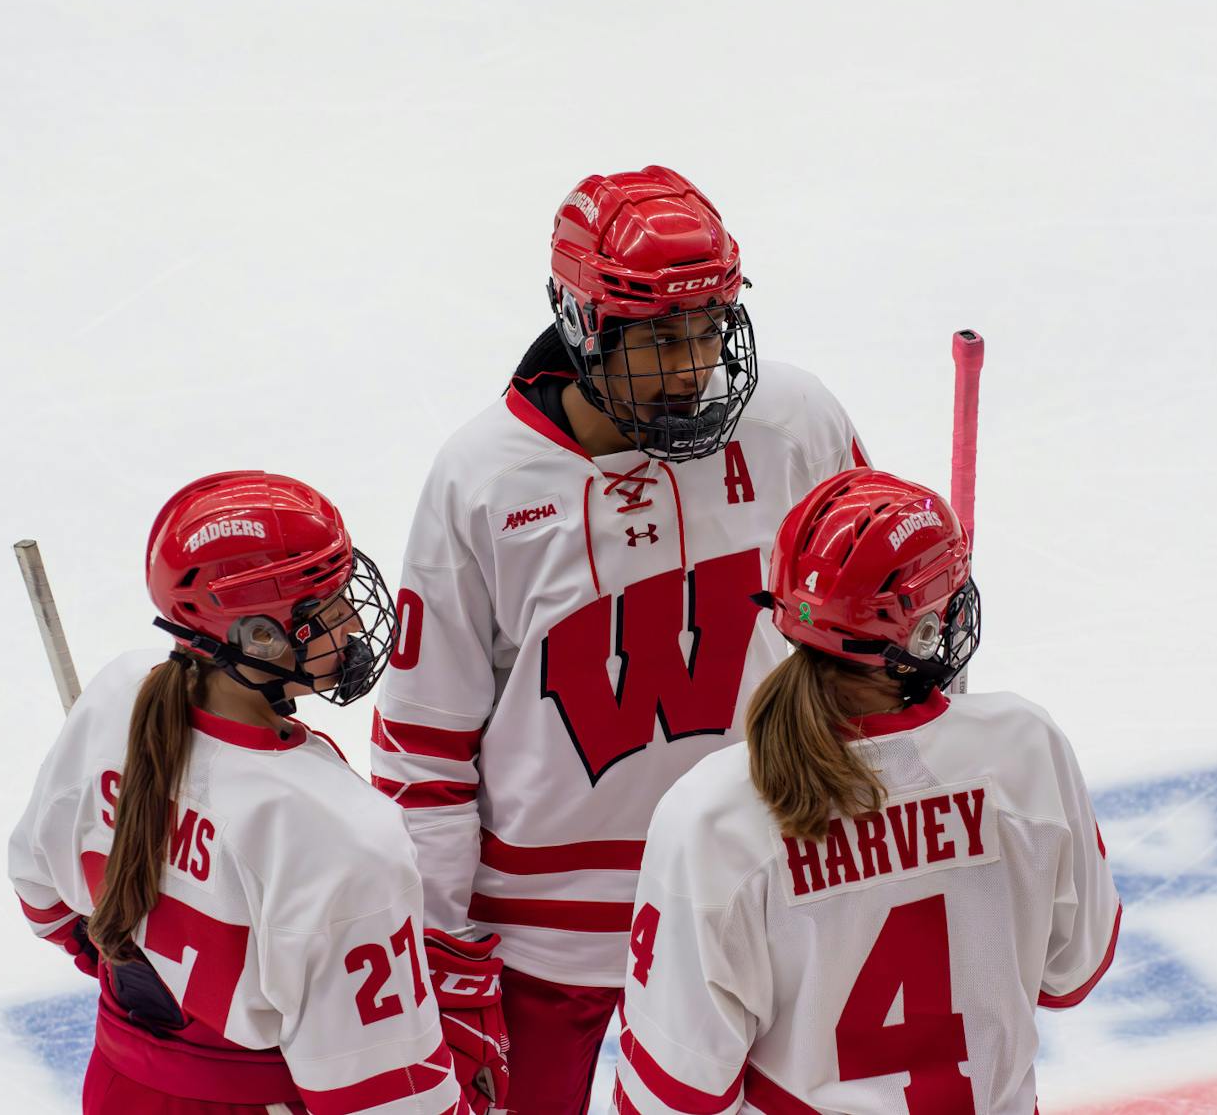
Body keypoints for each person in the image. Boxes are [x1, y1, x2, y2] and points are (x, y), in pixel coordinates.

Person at [371, 165, 870, 1114]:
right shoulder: (484, 479)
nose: (691, 367)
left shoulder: (796, 421)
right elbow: (422, 744)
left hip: (761, 888)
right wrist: (434, 947)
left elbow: (884, 637)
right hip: (544, 939)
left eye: (709, 327)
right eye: (658, 338)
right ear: (582, 322)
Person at [611, 469, 1122, 1115]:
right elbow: (1071, 972)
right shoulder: (1024, 745)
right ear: (924, 630)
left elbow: (676, 1090)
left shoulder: (713, 811)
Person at [9, 471, 507, 1115]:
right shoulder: (340, 829)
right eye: (327, 606)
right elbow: (385, 1094)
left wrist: (157, 988)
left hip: (120, 1084)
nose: (355, 619)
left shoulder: (117, 698)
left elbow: (41, 893)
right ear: (259, 638)